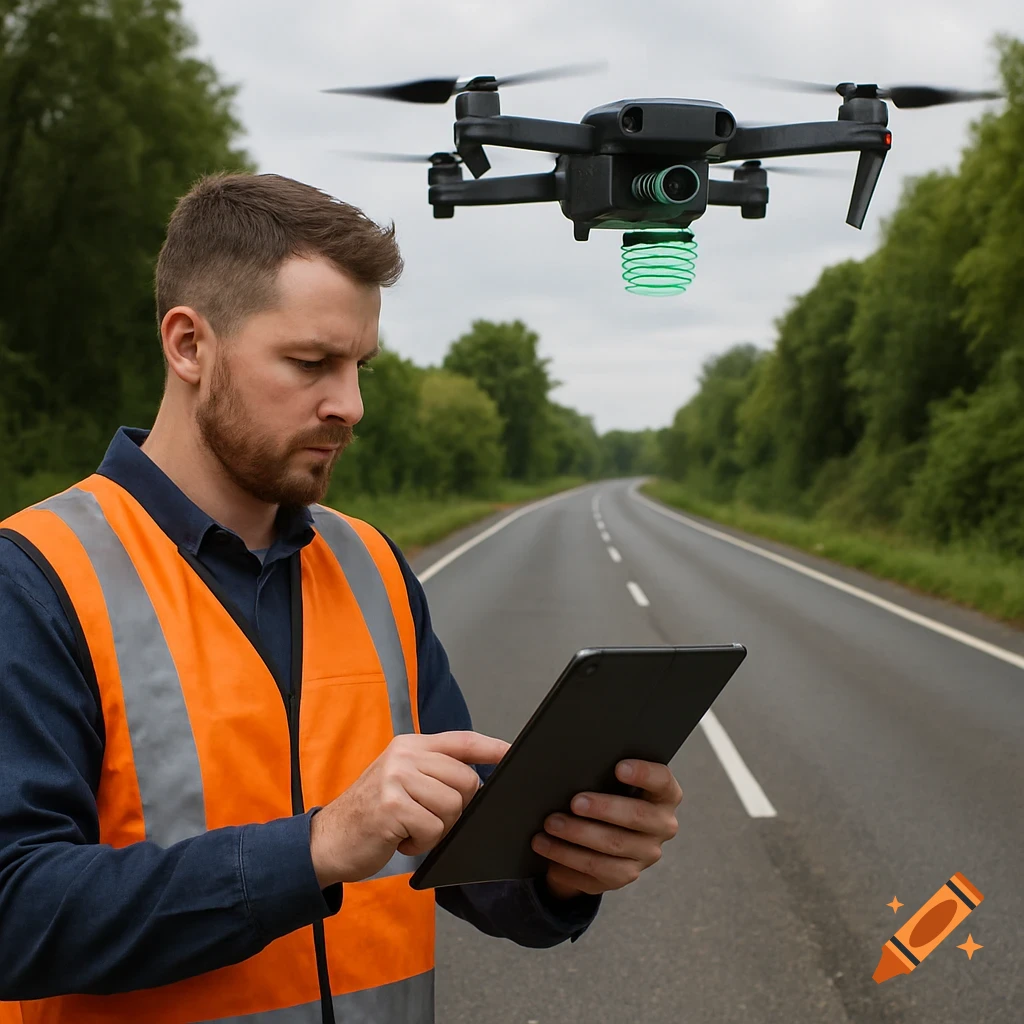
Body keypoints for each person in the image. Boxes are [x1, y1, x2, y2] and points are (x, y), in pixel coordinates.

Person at [0, 172, 683, 1024]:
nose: (350, 406)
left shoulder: (370, 564)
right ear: (188, 346)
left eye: (360, 366)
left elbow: (456, 854)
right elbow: (15, 912)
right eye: (311, 363)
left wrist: (560, 865)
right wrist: (318, 847)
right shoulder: (36, 574)